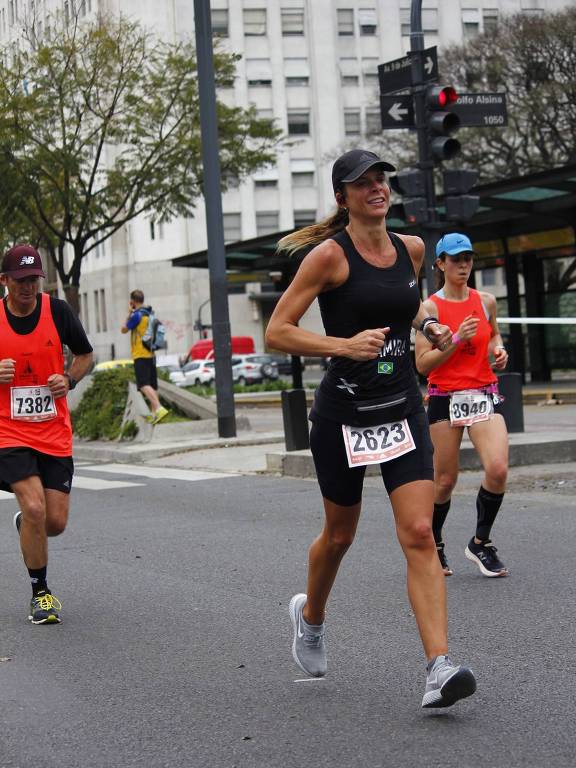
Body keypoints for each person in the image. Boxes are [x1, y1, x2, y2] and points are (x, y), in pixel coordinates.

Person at [265, 149, 477, 709]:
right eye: (363, 183)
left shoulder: (411, 249)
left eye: (381, 179)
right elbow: (277, 331)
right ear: (344, 197)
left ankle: (438, 667)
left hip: (402, 404)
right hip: (344, 415)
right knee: (339, 536)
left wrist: (428, 321)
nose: (377, 188)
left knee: (418, 532)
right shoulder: (327, 258)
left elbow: (401, 304)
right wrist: (342, 345)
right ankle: (309, 617)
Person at [0, 244, 93, 624]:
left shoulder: (57, 311)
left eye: (33, 280)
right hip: (8, 430)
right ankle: (41, 594)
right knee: (35, 505)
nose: (27, 287)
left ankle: (28, 526)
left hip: (53, 431)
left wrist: (68, 378)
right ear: (4, 281)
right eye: (20, 280)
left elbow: (85, 354)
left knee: (54, 522)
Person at [415, 233, 510, 578]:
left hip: (483, 392)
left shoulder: (486, 300)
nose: (464, 265)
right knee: (444, 481)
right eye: (455, 259)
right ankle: (435, 543)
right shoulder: (430, 309)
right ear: (440, 264)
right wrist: (456, 339)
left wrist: (498, 350)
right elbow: (423, 365)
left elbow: (494, 333)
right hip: (444, 398)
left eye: (468, 258)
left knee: (497, 469)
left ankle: (480, 543)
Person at [121, 289, 168, 424]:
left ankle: (158, 408)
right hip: (151, 354)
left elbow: (123, 329)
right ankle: (155, 415)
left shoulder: (136, 316)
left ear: (133, 301)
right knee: (152, 385)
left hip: (140, 355)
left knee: (143, 384)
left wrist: (129, 312)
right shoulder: (149, 314)